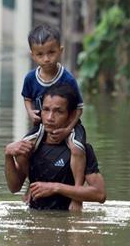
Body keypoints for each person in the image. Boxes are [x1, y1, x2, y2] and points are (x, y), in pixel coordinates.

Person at [5, 83, 106, 211]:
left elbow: (100, 194)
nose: (50, 118)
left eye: (58, 111)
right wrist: (8, 155)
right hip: (34, 223)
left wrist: (55, 188)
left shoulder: (81, 150)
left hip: (67, 224)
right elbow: (14, 188)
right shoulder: (32, 147)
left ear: (71, 115)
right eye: (46, 110)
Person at [20, 24, 88, 210]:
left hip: (70, 124)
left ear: (60, 51)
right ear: (32, 55)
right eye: (40, 54)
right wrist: (30, 112)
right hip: (43, 125)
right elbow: (26, 98)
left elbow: (79, 108)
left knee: (77, 148)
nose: (46, 59)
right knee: (23, 150)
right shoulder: (30, 78)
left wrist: (67, 129)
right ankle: (31, 186)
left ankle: (77, 194)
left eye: (51, 52)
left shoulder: (67, 78)